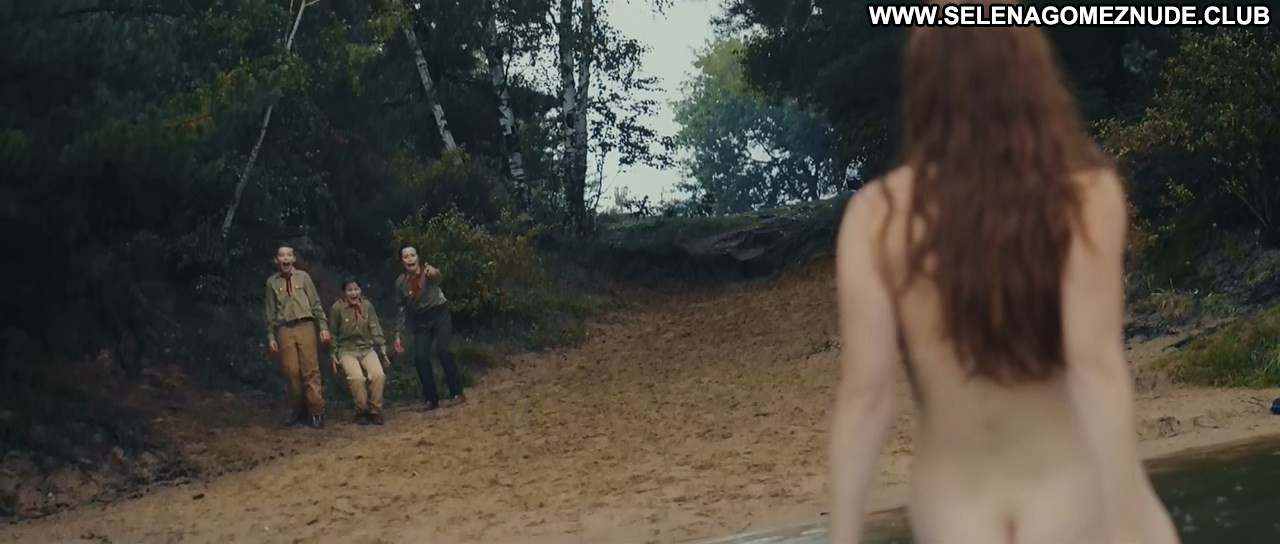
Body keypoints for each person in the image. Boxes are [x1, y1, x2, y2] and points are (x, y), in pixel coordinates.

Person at [826, 4, 1181, 544]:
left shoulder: (877, 217)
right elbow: (1094, 368)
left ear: (924, 83)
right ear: (1031, 74)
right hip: (1072, 499)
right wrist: (1129, 524)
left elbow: (866, 398)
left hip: (956, 517)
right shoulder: (1083, 195)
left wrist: (842, 536)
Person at [264, 243, 331, 429]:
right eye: (281, 255)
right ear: (276, 260)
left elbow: (315, 303)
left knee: (311, 370)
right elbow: (270, 312)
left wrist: (323, 326)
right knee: (291, 371)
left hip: (305, 326)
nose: (285, 258)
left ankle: (317, 411)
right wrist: (271, 336)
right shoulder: (272, 283)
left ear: (293, 259)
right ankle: (298, 408)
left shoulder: (303, 277)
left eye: (288, 255)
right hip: (284, 329)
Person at [392, 245, 466, 410]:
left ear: (418, 257)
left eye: (413, 255)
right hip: (421, 319)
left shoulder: (428, 272)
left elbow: (437, 276)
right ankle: (431, 399)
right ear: (402, 261)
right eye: (406, 256)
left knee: (444, 350)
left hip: (439, 314)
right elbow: (401, 309)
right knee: (420, 358)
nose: (410, 259)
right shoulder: (400, 283)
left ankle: (457, 393)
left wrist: (433, 273)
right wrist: (398, 334)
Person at [328, 278, 389, 426]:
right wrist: (333, 354)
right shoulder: (337, 308)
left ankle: (375, 411)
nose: (353, 293)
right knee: (357, 378)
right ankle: (361, 411)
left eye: (356, 289)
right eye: (350, 290)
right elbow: (333, 333)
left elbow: (375, 327)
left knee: (378, 375)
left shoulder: (367, 306)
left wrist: (382, 349)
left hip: (366, 348)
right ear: (344, 292)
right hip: (346, 350)